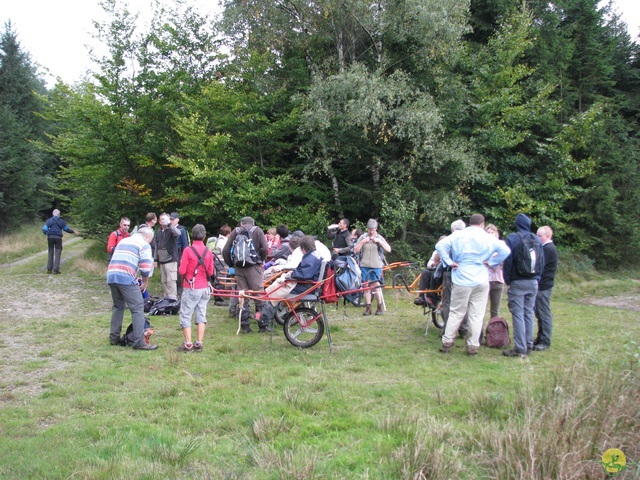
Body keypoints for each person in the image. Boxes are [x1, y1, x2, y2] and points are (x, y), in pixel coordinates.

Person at [436, 214, 511, 355]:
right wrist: (492, 263)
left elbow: (440, 246)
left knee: (456, 312)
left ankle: (447, 341)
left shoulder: (459, 235)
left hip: (462, 277)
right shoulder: (488, 237)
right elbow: (506, 250)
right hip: (481, 277)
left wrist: (449, 262)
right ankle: (472, 345)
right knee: (477, 314)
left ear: (469, 223)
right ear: (483, 224)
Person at [502, 213, 545, 358]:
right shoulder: (537, 239)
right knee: (528, 312)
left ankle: (520, 347)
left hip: (517, 281)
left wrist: (508, 281)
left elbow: (508, 262)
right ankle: (529, 344)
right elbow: (542, 262)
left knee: (518, 313)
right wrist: (537, 278)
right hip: (533, 281)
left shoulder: (513, 238)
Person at [107, 226, 157, 350]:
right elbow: (146, 267)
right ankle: (139, 342)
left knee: (118, 307)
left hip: (112, 275)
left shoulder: (124, 240)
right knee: (138, 308)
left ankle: (114, 338)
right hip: (125, 277)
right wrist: (145, 282)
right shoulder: (144, 244)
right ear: (147, 237)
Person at [260, 235, 323, 328]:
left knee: (275, 293)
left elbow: (305, 274)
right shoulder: (315, 255)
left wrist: (291, 275)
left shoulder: (310, 258)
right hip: (309, 284)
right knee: (276, 289)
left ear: (303, 248)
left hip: (305, 286)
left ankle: (263, 321)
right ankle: (265, 318)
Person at [222, 216, 270, 333]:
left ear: (241, 223)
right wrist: (260, 260)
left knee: (243, 297)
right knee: (258, 297)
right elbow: (265, 248)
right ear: (252, 223)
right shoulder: (257, 231)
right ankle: (262, 325)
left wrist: (232, 264)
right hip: (254, 267)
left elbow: (225, 250)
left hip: (239, 267)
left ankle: (245, 326)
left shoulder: (235, 231)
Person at [175, 224, 215, 352]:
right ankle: (199, 343)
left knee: (186, 315)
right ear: (204, 236)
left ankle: (188, 344)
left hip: (191, 287)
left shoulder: (188, 250)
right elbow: (210, 271)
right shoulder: (208, 251)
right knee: (201, 314)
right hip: (205, 288)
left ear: (192, 235)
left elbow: (182, 271)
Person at [353, 219, 392, 316]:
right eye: (369, 229)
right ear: (367, 229)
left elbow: (389, 249)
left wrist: (379, 242)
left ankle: (379, 307)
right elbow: (355, 250)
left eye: (373, 230)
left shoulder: (379, 237)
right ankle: (368, 308)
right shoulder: (363, 237)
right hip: (364, 265)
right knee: (366, 286)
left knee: (376, 286)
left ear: (376, 229)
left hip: (376, 265)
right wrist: (362, 242)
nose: (371, 232)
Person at [533, 226, 558, 351]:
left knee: (544, 313)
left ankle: (545, 340)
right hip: (541, 285)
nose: (537, 238)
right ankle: (540, 338)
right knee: (539, 313)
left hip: (544, 286)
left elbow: (539, 266)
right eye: (537, 235)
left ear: (547, 236)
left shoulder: (548, 249)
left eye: (540, 236)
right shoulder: (544, 248)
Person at [440, 219, 466, 330]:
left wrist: (449, 263)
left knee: (448, 301)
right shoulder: (469, 240)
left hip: (451, 272)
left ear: (453, 229)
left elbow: (439, 247)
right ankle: (464, 329)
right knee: (464, 302)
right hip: (465, 274)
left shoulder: (450, 240)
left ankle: (447, 328)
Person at [42, 209, 79, 274]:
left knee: (50, 252)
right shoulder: (62, 221)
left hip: (50, 237)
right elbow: (66, 229)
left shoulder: (49, 221)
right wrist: (73, 231)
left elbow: (44, 230)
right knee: (58, 252)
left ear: (53, 214)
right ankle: (56, 270)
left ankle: (49, 269)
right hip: (58, 238)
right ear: (59, 215)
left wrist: (48, 233)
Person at [154, 212, 182, 300]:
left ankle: (173, 300)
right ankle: (166, 300)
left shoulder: (171, 230)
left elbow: (178, 233)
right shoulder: (158, 232)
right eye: (162, 219)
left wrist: (169, 224)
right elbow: (156, 246)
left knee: (171, 281)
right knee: (164, 281)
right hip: (162, 260)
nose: (164, 221)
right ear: (159, 221)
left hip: (171, 259)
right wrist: (155, 259)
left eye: (165, 219)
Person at [484, 224, 505, 318]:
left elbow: (503, 259)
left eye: (492, 232)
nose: (490, 234)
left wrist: (491, 261)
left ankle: (494, 330)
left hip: (497, 280)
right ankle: (479, 331)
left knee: (495, 310)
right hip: (485, 280)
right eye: (488, 232)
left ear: (496, 234)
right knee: (482, 308)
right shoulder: (483, 246)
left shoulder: (501, 245)